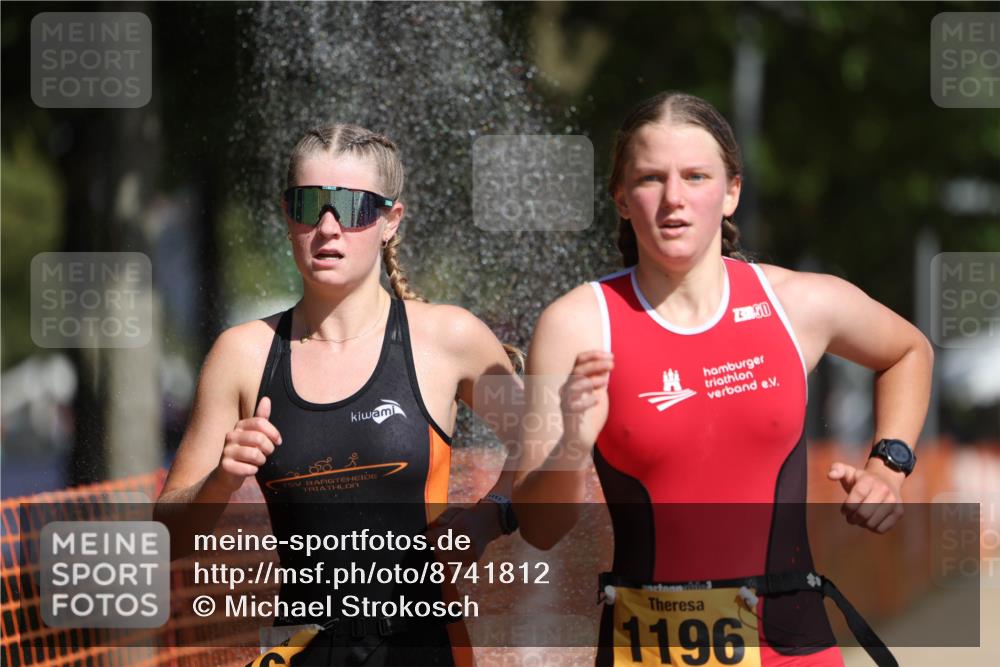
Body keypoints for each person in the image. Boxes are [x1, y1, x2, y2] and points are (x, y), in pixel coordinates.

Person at [512, 92, 933, 667]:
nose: (674, 199)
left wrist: (889, 465)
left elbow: (909, 350)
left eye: (695, 176)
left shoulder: (797, 303)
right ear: (620, 197)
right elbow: (539, 528)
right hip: (649, 650)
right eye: (650, 179)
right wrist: (570, 448)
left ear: (731, 192)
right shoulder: (577, 325)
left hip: (793, 642)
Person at [155, 124, 522, 666]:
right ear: (287, 216)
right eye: (309, 205)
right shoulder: (243, 354)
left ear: (390, 221)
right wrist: (221, 480)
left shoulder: (448, 338)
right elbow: (167, 538)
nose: (328, 228)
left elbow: (555, 441)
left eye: (353, 209)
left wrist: (491, 517)